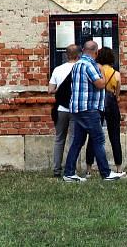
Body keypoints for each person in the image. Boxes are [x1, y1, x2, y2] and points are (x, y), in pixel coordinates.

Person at [62, 41, 126, 182]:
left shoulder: (77, 64)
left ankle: (69, 172)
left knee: (78, 141)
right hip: (88, 109)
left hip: (77, 108)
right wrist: (102, 72)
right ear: (95, 52)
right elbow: (100, 84)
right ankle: (106, 173)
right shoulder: (89, 64)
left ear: (83, 50)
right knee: (99, 139)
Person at [85, 47, 123, 176]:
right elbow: (117, 94)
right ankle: (118, 167)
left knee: (93, 136)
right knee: (115, 137)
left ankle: (89, 169)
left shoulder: (96, 70)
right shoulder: (116, 74)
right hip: (111, 104)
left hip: (98, 103)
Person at [48, 44, 80, 178]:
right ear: (78, 55)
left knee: (59, 139)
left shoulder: (58, 69)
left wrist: (59, 90)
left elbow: (50, 90)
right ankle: (71, 169)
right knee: (74, 140)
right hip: (76, 108)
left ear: (66, 55)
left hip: (61, 108)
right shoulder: (81, 69)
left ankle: (56, 169)